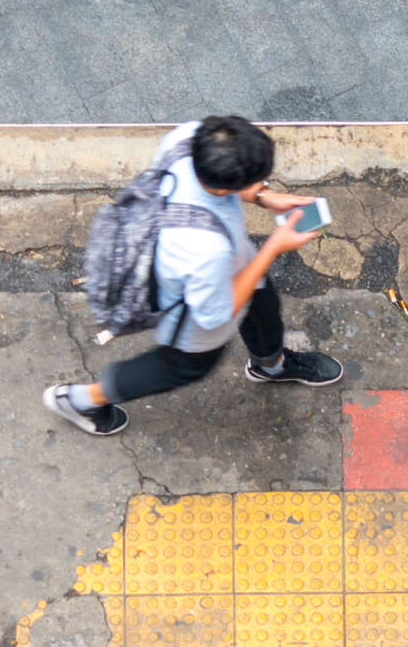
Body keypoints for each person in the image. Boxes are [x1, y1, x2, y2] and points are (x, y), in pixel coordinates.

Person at [45, 115, 341, 436]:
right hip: (195, 310)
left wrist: (264, 196)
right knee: (182, 367)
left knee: (263, 307)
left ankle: (271, 365)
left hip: (222, 263)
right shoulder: (204, 249)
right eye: (254, 181)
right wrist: (273, 248)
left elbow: (216, 184)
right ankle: (81, 399)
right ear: (227, 187)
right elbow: (215, 314)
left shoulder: (188, 138)